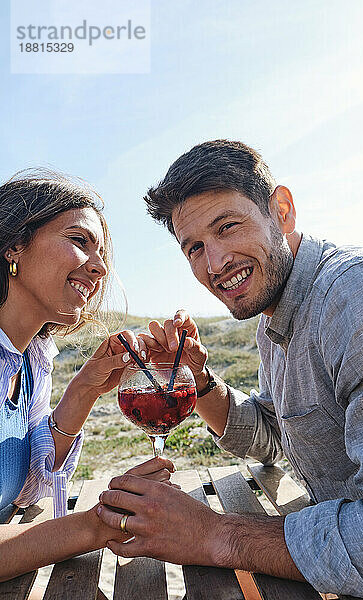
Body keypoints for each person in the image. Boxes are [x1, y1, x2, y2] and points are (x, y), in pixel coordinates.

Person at [97, 140, 363, 598]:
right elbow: (277, 437)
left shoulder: (357, 296)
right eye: (195, 247)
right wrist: (200, 383)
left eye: (228, 227)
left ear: (281, 210)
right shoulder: (273, 319)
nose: (215, 263)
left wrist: (215, 535)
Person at [0, 169, 174, 583]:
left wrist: (84, 388)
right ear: (14, 245)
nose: (99, 270)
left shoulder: (31, 360)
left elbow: (27, 492)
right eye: (80, 241)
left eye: (103, 256)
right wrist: (99, 523)